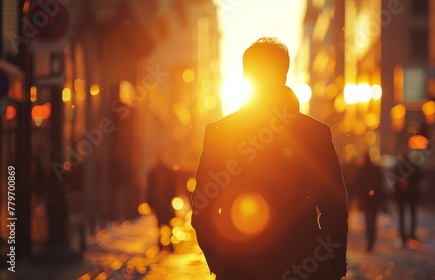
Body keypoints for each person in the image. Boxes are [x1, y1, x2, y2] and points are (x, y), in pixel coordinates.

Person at [191, 37, 348, 280]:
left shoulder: (221, 131)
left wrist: (221, 261)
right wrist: (332, 264)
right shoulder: (314, 133)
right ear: (284, 75)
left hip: (241, 268)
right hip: (304, 264)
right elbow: (334, 207)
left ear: (246, 75)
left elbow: (204, 207)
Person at [355, 152, 384, 252]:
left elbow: (358, 184)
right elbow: (380, 184)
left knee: (368, 220)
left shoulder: (362, 169)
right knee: (374, 219)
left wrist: (360, 198)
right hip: (375, 200)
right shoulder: (375, 169)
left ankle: (369, 240)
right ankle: (372, 239)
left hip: (366, 199)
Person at [394, 148, 423, 246]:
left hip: (402, 196)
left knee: (402, 215)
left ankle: (403, 235)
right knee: (412, 214)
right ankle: (412, 233)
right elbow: (420, 176)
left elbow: (394, 180)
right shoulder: (413, 166)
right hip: (411, 195)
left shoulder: (399, 166)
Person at [146, 157, 177, 251]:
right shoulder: (153, 173)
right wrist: (149, 202)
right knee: (159, 223)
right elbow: (149, 188)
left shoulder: (167, 173)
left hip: (166, 202)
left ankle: (169, 243)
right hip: (158, 202)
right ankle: (161, 242)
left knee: (168, 222)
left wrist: (171, 197)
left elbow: (173, 187)